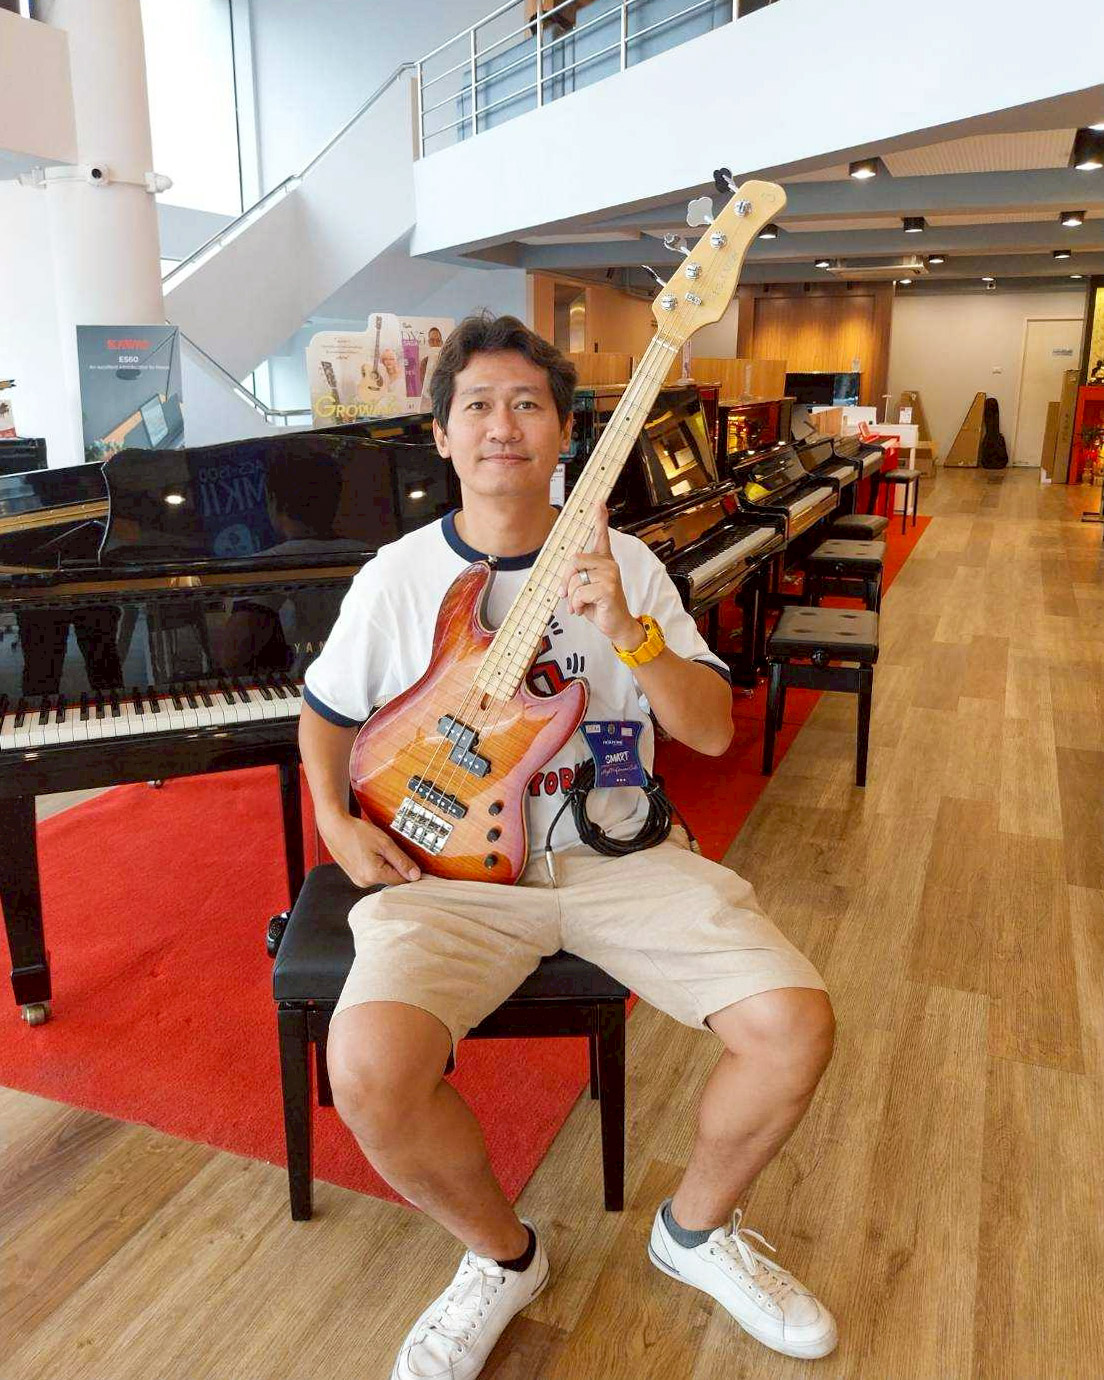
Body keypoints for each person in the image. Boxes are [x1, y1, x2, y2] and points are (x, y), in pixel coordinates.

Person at [299, 314, 837, 1378]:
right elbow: (324, 713)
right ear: (442, 436)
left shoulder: (629, 561)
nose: (503, 426)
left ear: (563, 434)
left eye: (528, 405)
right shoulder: (398, 577)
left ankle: (695, 1233)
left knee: (795, 1026)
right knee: (368, 1071)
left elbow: (713, 733)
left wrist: (631, 630)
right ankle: (501, 1257)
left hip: (620, 855)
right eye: (478, 406)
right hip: (448, 872)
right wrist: (332, 820)